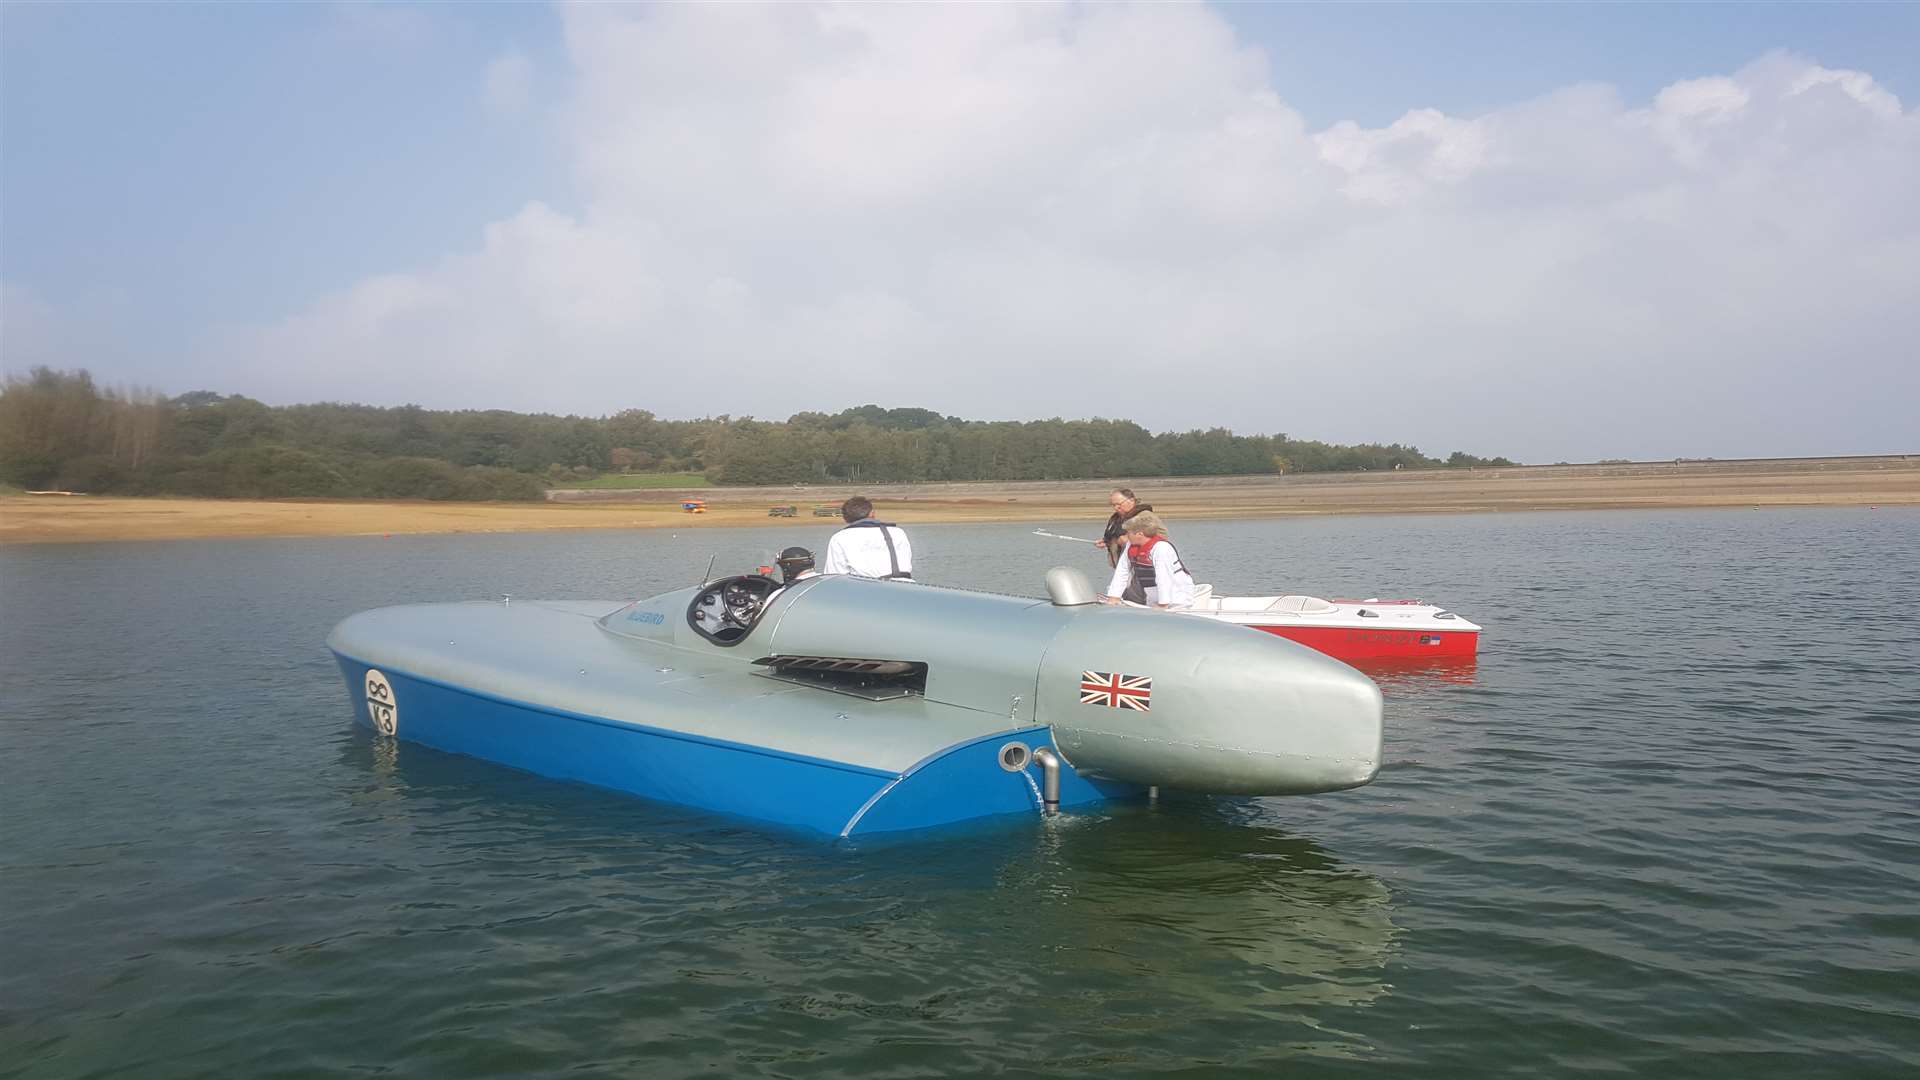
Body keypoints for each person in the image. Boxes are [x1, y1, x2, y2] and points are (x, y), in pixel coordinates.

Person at [1103, 511, 1195, 609]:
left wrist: (1163, 604)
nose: (1126, 536)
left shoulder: (1161, 548)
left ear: (1139, 534)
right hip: (1152, 593)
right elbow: (1122, 570)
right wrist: (1114, 596)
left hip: (1177, 596)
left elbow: (1164, 577)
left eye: (1128, 533)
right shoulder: (1130, 545)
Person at [822, 496, 913, 580]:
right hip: (906, 588)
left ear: (845, 518)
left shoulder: (839, 538)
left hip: (867, 591)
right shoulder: (898, 532)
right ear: (872, 513)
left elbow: (834, 577)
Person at [1097, 488, 1153, 603]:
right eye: (1113, 505)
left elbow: (1159, 536)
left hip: (1139, 567)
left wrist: (1129, 540)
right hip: (1121, 565)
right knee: (1121, 587)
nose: (1116, 508)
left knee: (1136, 595)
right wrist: (1106, 541)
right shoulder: (1116, 518)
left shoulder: (1144, 516)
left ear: (1131, 500)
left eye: (1118, 504)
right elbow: (1113, 536)